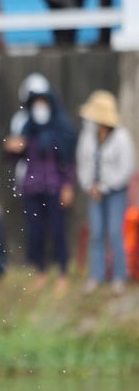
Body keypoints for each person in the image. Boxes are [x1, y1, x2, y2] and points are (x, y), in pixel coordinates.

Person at [4, 80, 76, 294]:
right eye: (36, 103)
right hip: (33, 188)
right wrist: (10, 147)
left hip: (54, 186)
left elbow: (67, 161)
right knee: (35, 232)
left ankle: (63, 273)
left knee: (58, 231)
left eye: (43, 102)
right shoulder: (28, 130)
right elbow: (13, 157)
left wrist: (68, 186)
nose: (40, 108)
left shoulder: (61, 129)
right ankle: (41, 272)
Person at [76, 90, 135, 294]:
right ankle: (97, 275)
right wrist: (89, 186)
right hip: (95, 193)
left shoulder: (121, 138)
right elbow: (83, 163)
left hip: (116, 191)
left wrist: (105, 186)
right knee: (97, 232)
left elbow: (127, 167)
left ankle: (120, 275)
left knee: (115, 231)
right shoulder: (88, 137)